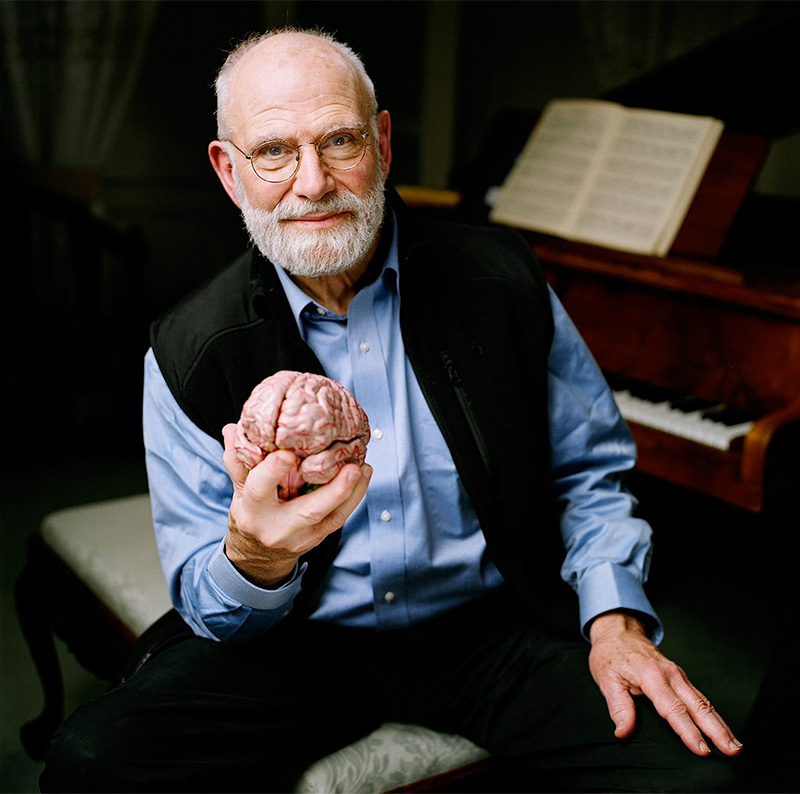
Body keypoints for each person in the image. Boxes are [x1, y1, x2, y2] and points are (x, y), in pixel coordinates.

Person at [41, 27, 743, 793]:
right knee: (92, 765)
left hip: (495, 631)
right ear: (229, 172)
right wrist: (257, 556)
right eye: (274, 151)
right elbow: (212, 606)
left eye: (338, 140)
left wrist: (615, 623)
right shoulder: (186, 348)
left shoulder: (504, 282)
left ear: (379, 142)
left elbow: (586, 471)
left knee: (699, 777)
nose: (311, 183)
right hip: (301, 644)